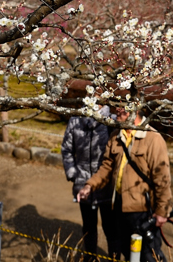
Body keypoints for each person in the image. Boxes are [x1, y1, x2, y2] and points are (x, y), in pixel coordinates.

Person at [77, 106, 172, 261]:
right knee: (127, 252)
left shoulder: (153, 138)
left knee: (149, 255)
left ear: (134, 112)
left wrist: (162, 211)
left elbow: (162, 178)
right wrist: (90, 185)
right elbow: (106, 167)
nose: (116, 113)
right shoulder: (116, 136)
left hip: (143, 210)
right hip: (119, 207)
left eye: (121, 110)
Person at [62, 108, 117, 262]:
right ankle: (90, 257)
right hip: (83, 183)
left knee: (111, 227)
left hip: (106, 185)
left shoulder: (110, 121)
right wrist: (73, 174)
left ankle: (115, 258)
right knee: (88, 226)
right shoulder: (75, 119)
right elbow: (66, 149)